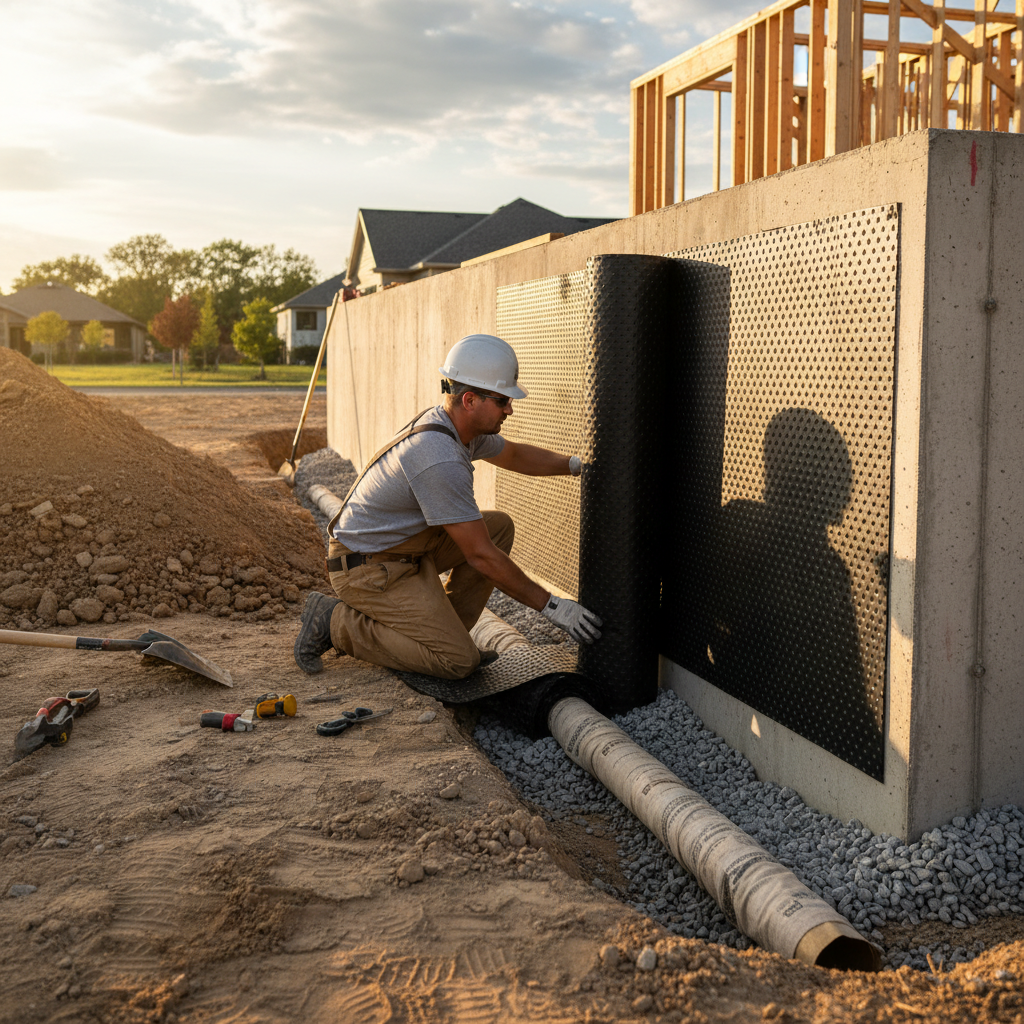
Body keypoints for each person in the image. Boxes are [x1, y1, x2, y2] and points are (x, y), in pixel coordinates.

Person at [294, 333, 602, 679]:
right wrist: (554, 608)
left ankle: (444, 635)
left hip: (401, 549)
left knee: (498, 526)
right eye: (502, 400)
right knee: (457, 663)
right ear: (470, 400)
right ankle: (334, 621)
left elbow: (514, 454)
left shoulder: (456, 428)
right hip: (365, 568)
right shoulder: (438, 457)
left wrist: (578, 466)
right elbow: (480, 556)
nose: (510, 409)